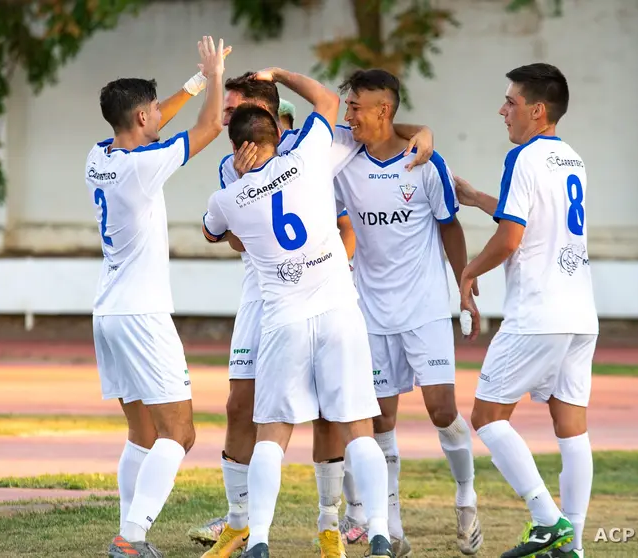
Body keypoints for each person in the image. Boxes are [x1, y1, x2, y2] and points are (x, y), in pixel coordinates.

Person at [190, 72, 436, 558]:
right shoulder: (307, 158)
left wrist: (246, 183)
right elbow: (327, 100)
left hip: (283, 319)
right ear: (278, 135)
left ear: (238, 147)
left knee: (272, 435)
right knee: (358, 429)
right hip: (338, 312)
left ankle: (258, 540)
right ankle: (381, 535)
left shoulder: (227, 194)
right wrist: (280, 72)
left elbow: (213, 231)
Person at [85, 36, 228, 558]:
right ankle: (132, 536)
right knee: (180, 434)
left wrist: (189, 86)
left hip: (109, 313)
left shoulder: (99, 155)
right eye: (152, 113)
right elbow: (209, 128)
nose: (157, 118)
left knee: (141, 435)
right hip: (143, 315)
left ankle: (129, 536)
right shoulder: (144, 167)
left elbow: (154, 121)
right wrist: (214, 78)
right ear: (141, 116)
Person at [331, 69, 483, 557]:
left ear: (384, 111)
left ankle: (466, 497)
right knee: (380, 421)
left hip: (424, 309)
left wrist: (464, 285)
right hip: (369, 312)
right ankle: (392, 526)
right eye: (347, 104)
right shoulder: (343, 161)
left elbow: (450, 227)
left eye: (356, 106)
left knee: (442, 410)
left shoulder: (425, 163)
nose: (347, 113)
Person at [456, 63, 597, 558]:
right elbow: (536, 220)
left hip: (539, 311)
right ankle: (572, 545)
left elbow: (513, 237)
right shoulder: (571, 159)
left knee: (488, 416)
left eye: (511, 102)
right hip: (581, 312)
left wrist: (469, 272)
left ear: (537, 111)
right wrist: (477, 199)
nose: (503, 110)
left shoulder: (522, 156)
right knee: (571, 428)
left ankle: (545, 518)